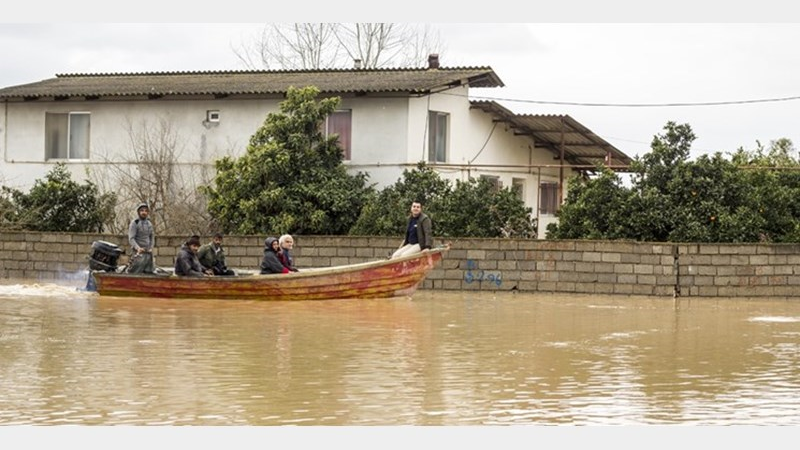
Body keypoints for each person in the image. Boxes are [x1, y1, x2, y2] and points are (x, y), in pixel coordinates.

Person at [127, 202, 156, 274]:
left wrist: (151, 247)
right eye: (142, 210)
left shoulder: (149, 223)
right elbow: (131, 238)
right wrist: (138, 248)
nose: (144, 212)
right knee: (135, 271)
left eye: (146, 211)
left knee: (149, 271)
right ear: (138, 212)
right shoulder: (135, 223)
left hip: (148, 252)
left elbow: (152, 237)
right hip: (138, 252)